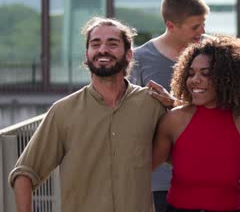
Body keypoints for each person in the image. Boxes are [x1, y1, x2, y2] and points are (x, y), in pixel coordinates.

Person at [9, 17, 165, 212]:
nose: (103, 50)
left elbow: (186, 142)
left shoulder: (151, 104)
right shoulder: (63, 111)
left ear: (129, 54)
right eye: (95, 44)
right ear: (87, 54)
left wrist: (174, 104)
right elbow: (24, 173)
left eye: (113, 44)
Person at [152, 35, 240, 211]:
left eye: (206, 73)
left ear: (228, 77)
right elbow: (143, 166)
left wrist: (236, 167)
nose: (195, 79)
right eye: (191, 73)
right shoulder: (174, 119)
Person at [130, 0, 209, 211]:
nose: (202, 31)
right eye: (195, 26)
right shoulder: (140, 59)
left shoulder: (213, 53)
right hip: (160, 182)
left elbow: (223, 109)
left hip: (206, 176)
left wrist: (172, 102)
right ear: (171, 26)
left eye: (203, 23)